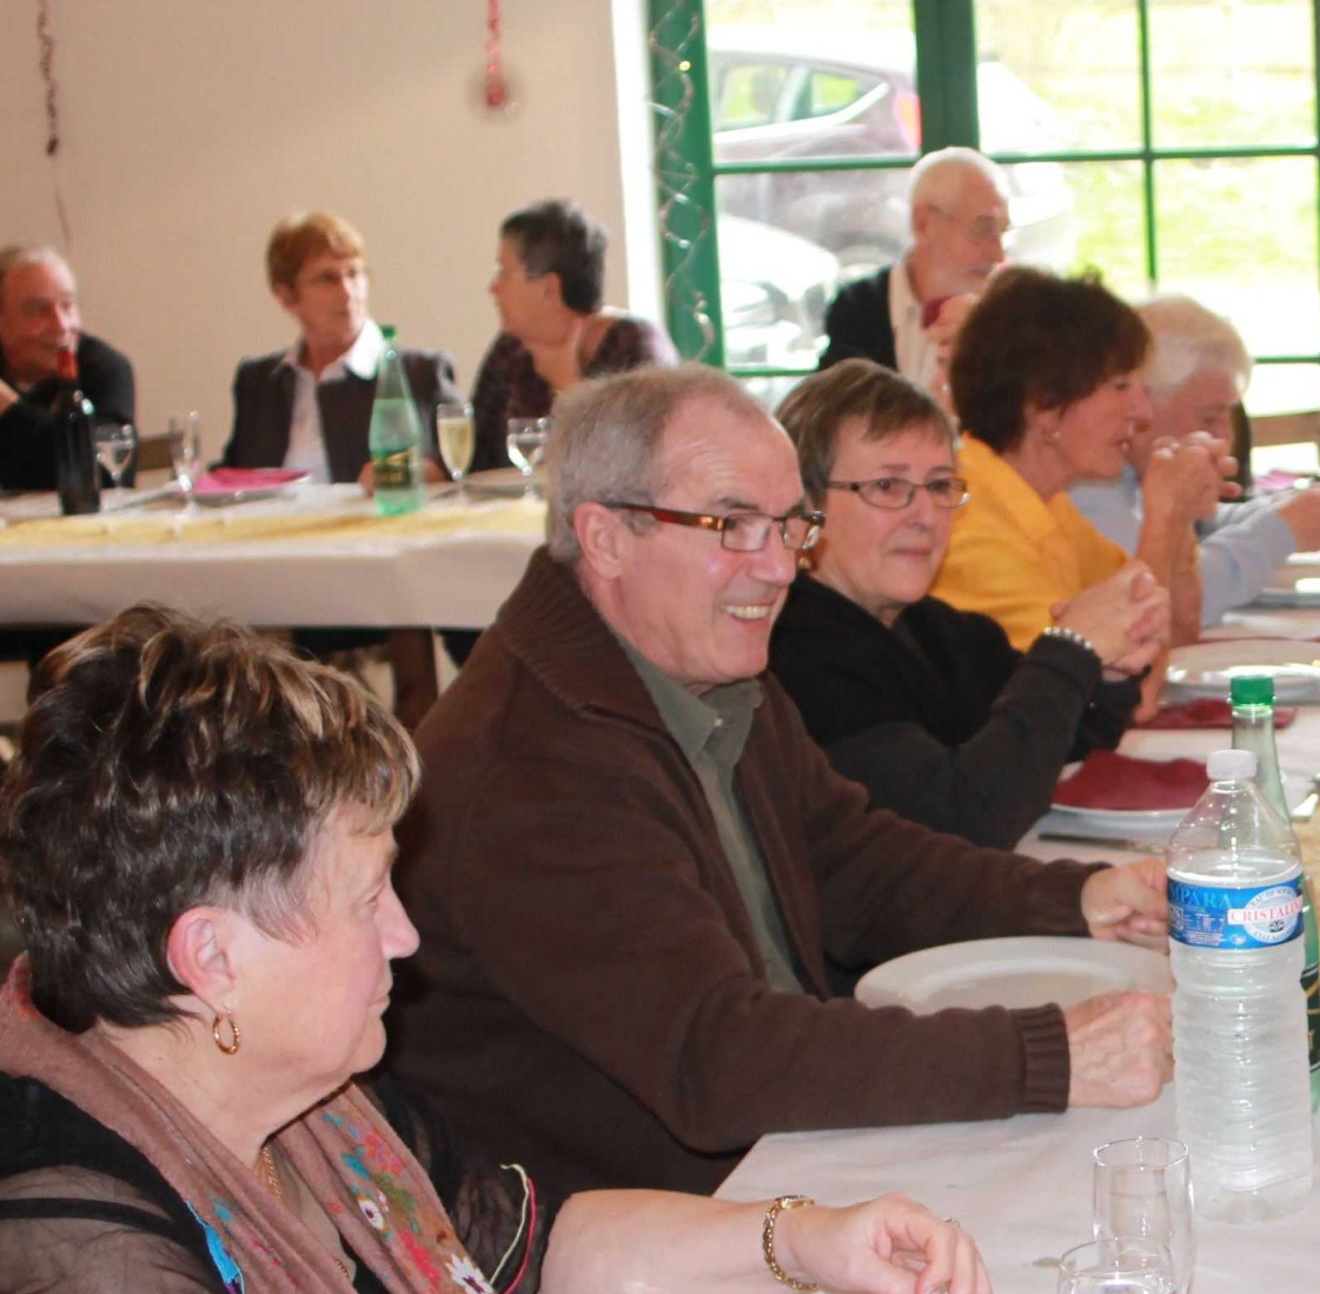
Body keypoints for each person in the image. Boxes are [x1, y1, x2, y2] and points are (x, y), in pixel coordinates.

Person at [0, 606, 997, 1294]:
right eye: (367, 899)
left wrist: (807, 1241)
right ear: (211, 959)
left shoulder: (305, 1111)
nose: (404, 935)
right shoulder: (57, 1228)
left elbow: (535, 1270)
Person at [390, 364, 1173, 1195]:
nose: (778, 569)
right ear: (606, 537)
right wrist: (1048, 1055)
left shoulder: (705, 670)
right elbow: (717, 1057)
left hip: (779, 1149)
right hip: (644, 1218)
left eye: (789, 526)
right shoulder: (533, 766)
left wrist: (1079, 898)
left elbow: (854, 861)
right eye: (732, 526)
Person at [766, 359, 1168, 848]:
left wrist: (1111, 671)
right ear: (804, 506)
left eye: (939, 486)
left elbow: (1055, 749)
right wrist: (1069, 649)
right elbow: (959, 822)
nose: (925, 516)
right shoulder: (794, 650)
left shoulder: (943, 632)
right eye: (887, 486)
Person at [932, 266, 1228, 654]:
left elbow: (1179, 634)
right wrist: (1162, 519)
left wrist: (1180, 519)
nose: (1142, 412)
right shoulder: (973, 531)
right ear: (1044, 404)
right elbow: (1132, 678)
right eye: (1120, 386)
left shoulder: (1045, 502)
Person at [1067, 293, 1320, 628]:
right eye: (1209, 418)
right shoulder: (1087, 483)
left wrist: (1282, 510)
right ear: (1142, 404)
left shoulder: (1130, 476)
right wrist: (1281, 531)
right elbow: (1169, 602)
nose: (1226, 437)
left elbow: (1201, 527)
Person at [222, 212, 467, 483]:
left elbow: (467, 462)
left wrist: (415, 473)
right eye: (327, 279)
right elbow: (231, 480)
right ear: (286, 296)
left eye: (354, 273)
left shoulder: (421, 373)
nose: (348, 292)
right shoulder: (259, 382)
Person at [467, 198, 673, 474]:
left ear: (548, 288)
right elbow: (473, 459)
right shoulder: (511, 348)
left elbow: (633, 470)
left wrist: (567, 387)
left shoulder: (634, 346)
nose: (493, 288)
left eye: (504, 273)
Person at [818, 147, 1010, 397]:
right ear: (923, 224)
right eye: (983, 230)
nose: (998, 255)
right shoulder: (857, 310)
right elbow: (832, 411)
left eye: (1002, 232)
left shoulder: (1009, 319)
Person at [0, 243, 134, 493]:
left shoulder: (104, 369)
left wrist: (7, 405)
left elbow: (101, 474)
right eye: (39, 311)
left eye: (68, 305)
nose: (62, 325)